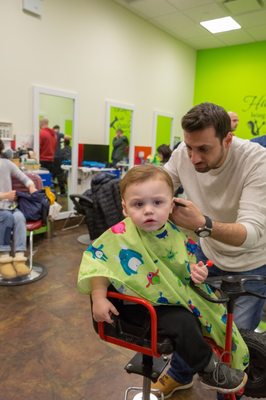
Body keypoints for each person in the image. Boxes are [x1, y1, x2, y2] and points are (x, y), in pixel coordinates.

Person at [78, 164, 248, 395]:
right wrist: (98, 298)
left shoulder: (175, 233)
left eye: (157, 203)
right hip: (134, 307)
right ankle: (209, 369)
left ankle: (226, 357)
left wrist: (197, 273)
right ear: (125, 208)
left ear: (171, 205)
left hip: (168, 297)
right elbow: (97, 263)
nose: (149, 210)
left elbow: (185, 267)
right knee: (184, 322)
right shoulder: (119, 235)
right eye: (139, 204)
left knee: (212, 305)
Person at [151, 102, 266, 398]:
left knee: (233, 339)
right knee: (191, 319)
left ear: (227, 139)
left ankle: (226, 393)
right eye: (189, 147)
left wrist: (203, 223)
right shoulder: (183, 154)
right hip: (208, 255)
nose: (193, 158)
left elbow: (252, 233)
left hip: (252, 262)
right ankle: (180, 373)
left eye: (203, 149)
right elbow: (159, 187)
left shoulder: (256, 161)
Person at [0, 139, 37, 279]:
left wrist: (31, 186)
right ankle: (4, 258)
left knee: (19, 217)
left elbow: (24, 178)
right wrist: (4, 195)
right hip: (3, 210)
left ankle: (19, 258)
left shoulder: (6, 164)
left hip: (9, 207)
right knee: (7, 217)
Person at [52, 125, 66, 196]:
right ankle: (62, 191)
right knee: (58, 174)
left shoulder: (53, 135)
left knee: (54, 174)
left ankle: (59, 191)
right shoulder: (59, 134)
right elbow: (68, 137)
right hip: (58, 157)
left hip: (55, 157)